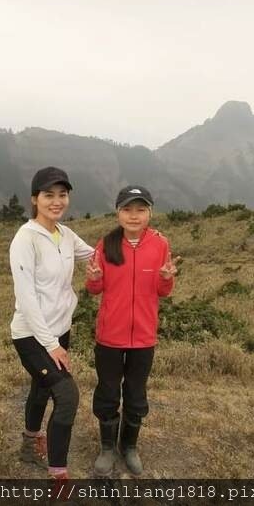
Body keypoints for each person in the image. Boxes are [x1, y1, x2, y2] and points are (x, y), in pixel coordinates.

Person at [85, 185, 179, 476]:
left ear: (150, 212)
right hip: (110, 336)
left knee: (136, 394)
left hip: (143, 337)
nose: (134, 216)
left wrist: (166, 279)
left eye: (141, 209)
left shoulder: (160, 244)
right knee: (108, 392)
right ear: (118, 212)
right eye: (127, 209)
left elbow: (163, 292)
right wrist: (94, 278)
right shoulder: (106, 244)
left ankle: (130, 446)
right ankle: (107, 448)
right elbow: (94, 289)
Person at [9, 166, 94, 482]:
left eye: (62, 195)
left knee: (41, 389)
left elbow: (98, 257)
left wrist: (138, 243)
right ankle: (59, 475)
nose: (57, 201)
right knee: (67, 396)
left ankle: (29, 445)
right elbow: (27, 298)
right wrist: (52, 344)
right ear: (35, 199)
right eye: (49, 195)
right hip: (32, 335)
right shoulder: (25, 239)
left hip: (59, 329)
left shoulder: (66, 235)